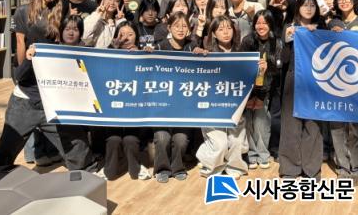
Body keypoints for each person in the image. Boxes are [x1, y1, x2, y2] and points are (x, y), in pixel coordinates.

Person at [0, 12, 96, 172]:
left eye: (75, 29)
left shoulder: (84, 52)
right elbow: (19, 76)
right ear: (60, 31)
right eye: (67, 29)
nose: (71, 33)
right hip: (26, 103)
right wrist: (29, 59)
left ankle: (87, 174)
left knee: (76, 146)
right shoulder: (44, 48)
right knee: (7, 147)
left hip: (55, 106)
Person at [279, 0, 326, 180]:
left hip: (316, 81)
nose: (308, 8)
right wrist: (291, 36)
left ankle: (312, 169)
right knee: (291, 124)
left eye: (312, 5)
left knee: (313, 125)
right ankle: (290, 168)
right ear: (298, 8)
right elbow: (283, 58)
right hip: (294, 78)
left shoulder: (322, 28)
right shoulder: (290, 27)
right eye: (305, 5)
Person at [328, 0, 358, 185]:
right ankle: (342, 166)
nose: (344, 1)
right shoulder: (331, 23)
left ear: (354, 1)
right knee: (337, 125)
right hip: (335, 82)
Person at [196, 16, 248, 179]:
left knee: (237, 142)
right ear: (213, 33)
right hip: (212, 107)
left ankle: (235, 167)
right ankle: (211, 165)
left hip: (236, 106)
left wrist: (260, 69)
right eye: (220, 29)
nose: (226, 32)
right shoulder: (207, 53)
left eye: (229, 28)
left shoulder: (242, 53)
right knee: (220, 143)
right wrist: (198, 57)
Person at [99, 23, 151, 181]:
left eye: (130, 34)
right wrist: (113, 50)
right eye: (122, 34)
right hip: (113, 109)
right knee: (113, 139)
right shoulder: (109, 55)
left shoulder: (144, 54)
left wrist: (146, 56)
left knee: (130, 139)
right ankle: (108, 169)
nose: (126, 38)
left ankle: (136, 167)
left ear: (137, 36)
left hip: (136, 110)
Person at [152, 12, 195, 183]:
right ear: (169, 28)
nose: (181, 29)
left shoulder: (192, 47)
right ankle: (162, 168)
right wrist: (146, 55)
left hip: (184, 106)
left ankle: (178, 167)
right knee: (162, 138)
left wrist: (203, 55)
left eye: (184, 26)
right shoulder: (159, 47)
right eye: (177, 26)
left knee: (181, 140)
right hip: (161, 105)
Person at [240, 10, 282, 170]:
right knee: (249, 121)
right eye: (258, 23)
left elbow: (279, 68)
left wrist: (267, 67)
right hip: (248, 89)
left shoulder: (277, 42)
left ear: (270, 24)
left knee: (262, 121)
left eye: (265, 22)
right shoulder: (247, 41)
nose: (261, 26)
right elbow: (241, 63)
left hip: (266, 89)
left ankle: (263, 154)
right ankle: (251, 154)